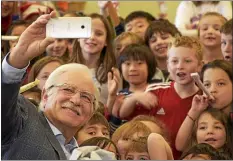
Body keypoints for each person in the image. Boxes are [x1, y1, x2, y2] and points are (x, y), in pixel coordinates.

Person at [1, 12, 99, 159]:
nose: (76, 100)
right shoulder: (22, 118)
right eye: (68, 89)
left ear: (91, 112)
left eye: (86, 97)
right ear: (46, 95)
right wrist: (17, 59)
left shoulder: (87, 155)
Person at [119, 36, 203, 159]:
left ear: (200, 66)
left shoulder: (203, 99)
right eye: (174, 61)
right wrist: (134, 97)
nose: (180, 66)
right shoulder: (156, 90)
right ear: (168, 66)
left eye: (187, 61)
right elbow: (123, 114)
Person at [176, 60, 232, 152]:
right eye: (207, 85)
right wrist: (194, 111)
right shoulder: (200, 114)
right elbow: (180, 146)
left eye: (220, 84)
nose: (212, 90)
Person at [70, 13, 116, 105]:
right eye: (87, 32)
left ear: (106, 41)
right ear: (78, 37)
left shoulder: (113, 73)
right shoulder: (65, 69)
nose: (91, 37)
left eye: (98, 34)